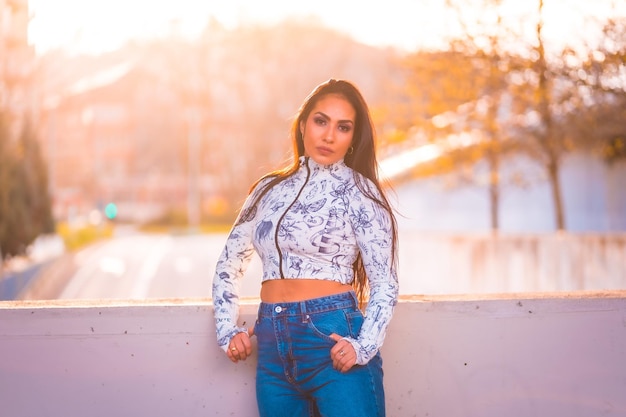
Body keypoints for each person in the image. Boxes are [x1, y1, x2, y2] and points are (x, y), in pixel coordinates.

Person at [212, 78, 399, 417]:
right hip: (271, 348)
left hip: (332, 339)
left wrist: (364, 346)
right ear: (302, 125)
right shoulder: (269, 189)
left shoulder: (361, 193)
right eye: (320, 121)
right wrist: (227, 330)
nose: (328, 135)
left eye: (343, 127)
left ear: (353, 138)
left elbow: (385, 282)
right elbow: (229, 264)